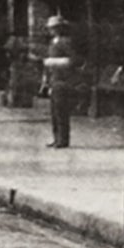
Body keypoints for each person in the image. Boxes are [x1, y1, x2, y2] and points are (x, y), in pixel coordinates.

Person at [42, 14, 76, 149]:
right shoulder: (53, 42)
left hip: (63, 80)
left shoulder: (66, 42)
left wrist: (52, 62)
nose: (51, 30)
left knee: (61, 111)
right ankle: (56, 138)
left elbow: (72, 60)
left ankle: (63, 139)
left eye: (54, 28)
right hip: (54, 79)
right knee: (54, 112)